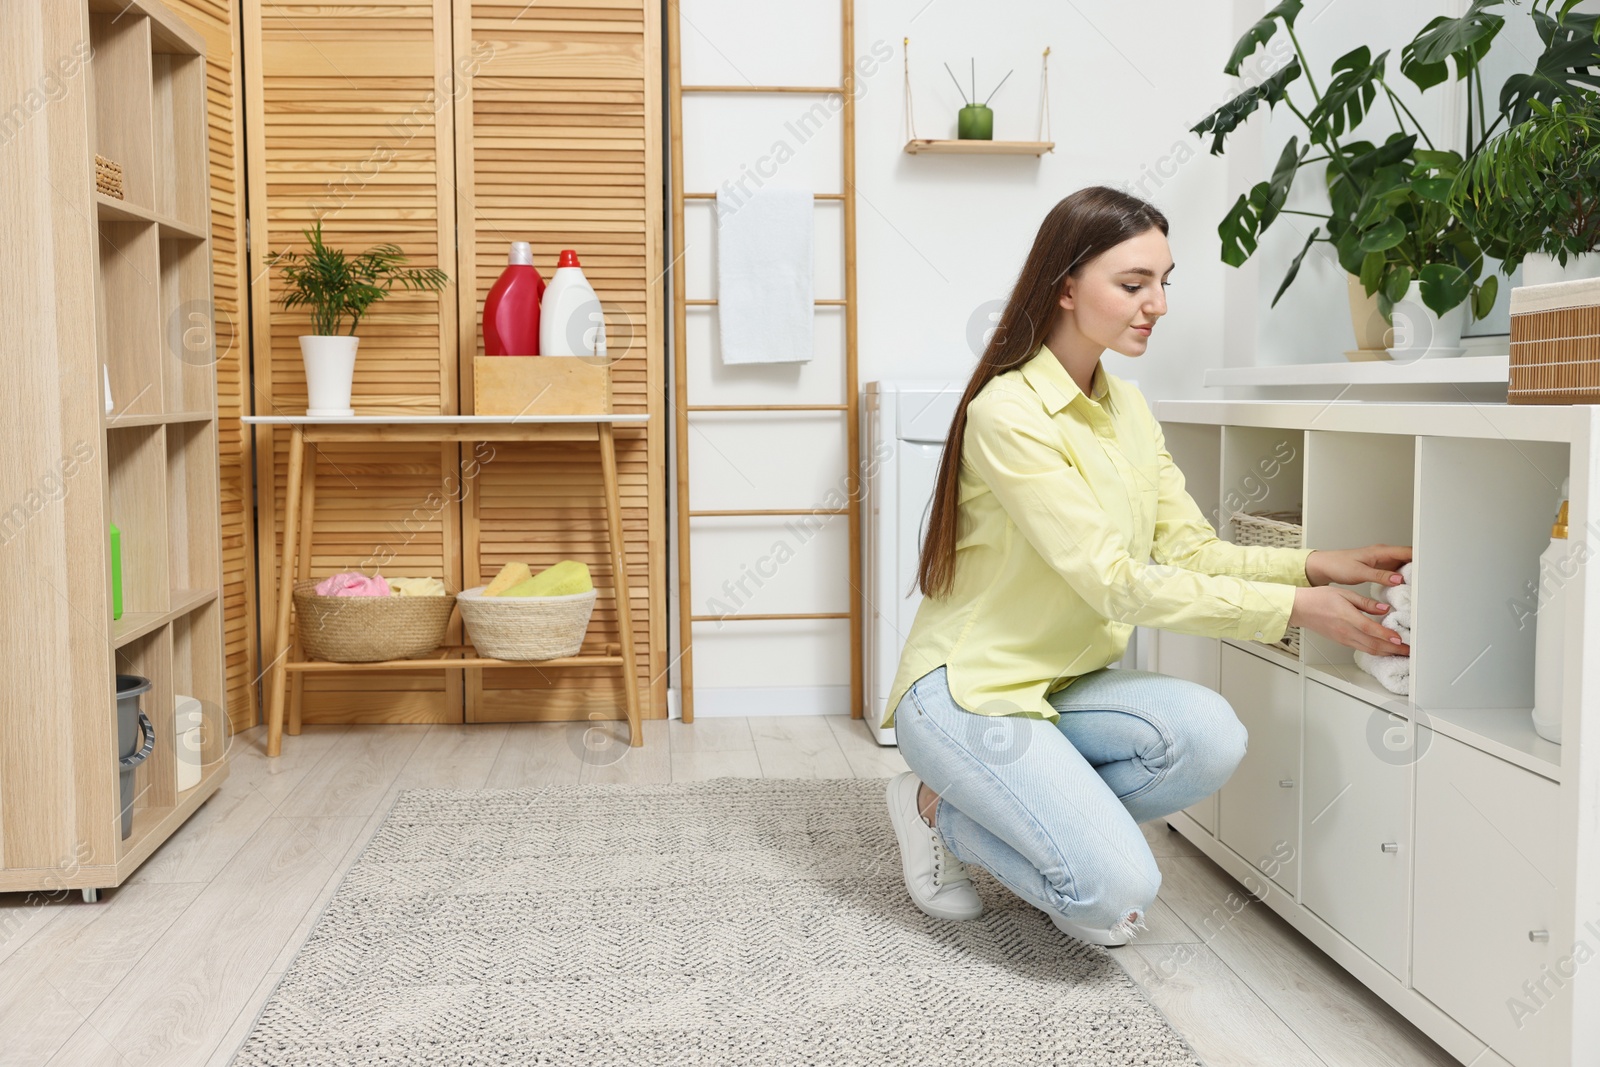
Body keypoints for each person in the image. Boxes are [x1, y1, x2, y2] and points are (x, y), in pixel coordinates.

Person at [882, 185, 1413, 947]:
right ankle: (937, 807)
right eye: (1134, 284)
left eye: (1164, 282)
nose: (1157, 304)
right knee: (1114, 896)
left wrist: (1314, 567)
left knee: (1209, 736)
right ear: (1066, 287)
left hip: (1065, 684)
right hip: (972, 693)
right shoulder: (1009, 414)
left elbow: (1189, 550)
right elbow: (1114, 581)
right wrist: (1294, 613)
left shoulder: (1127, 408)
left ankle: (1028, 813)